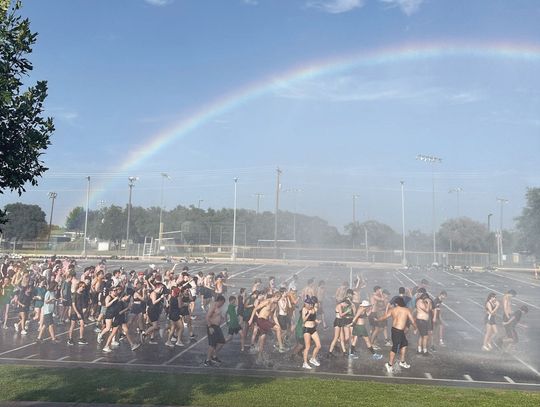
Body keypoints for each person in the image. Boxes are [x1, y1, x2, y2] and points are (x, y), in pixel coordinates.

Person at [376, 297, 417, 373]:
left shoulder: (393, 310)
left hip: (398, 331)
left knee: (404, 344)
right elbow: (412, 321)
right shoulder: (406, 310)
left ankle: (402, 361)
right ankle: (389, 364)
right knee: (395, 347)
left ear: (397, 303)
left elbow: (384, 317)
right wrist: (415, 328)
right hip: (397, 331)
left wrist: (377, 319)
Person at [204, 294, 227, 367]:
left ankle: (213, 356)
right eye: (222, 303)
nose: (223, 305)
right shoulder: (213, 305)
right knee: (212, 344)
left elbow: (217, 315)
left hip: (217, 327)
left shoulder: (218, 307)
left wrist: (222, 317)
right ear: (220, 301)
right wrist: (210, 327)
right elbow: (207, 317)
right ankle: (207, 360)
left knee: (222, 342)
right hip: (212, 326)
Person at [301, 296, 321, 369]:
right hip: (307, 329)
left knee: (319, 345)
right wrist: (308, 314)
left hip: (313, 329)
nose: (311, 305)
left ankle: (313, 358)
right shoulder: (304, 309)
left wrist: (317, 321)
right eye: (309, 304)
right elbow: (303, 320)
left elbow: (314, 318)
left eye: (312, 304)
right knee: (307, 347)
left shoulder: (314, 309)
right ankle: (305, 363)